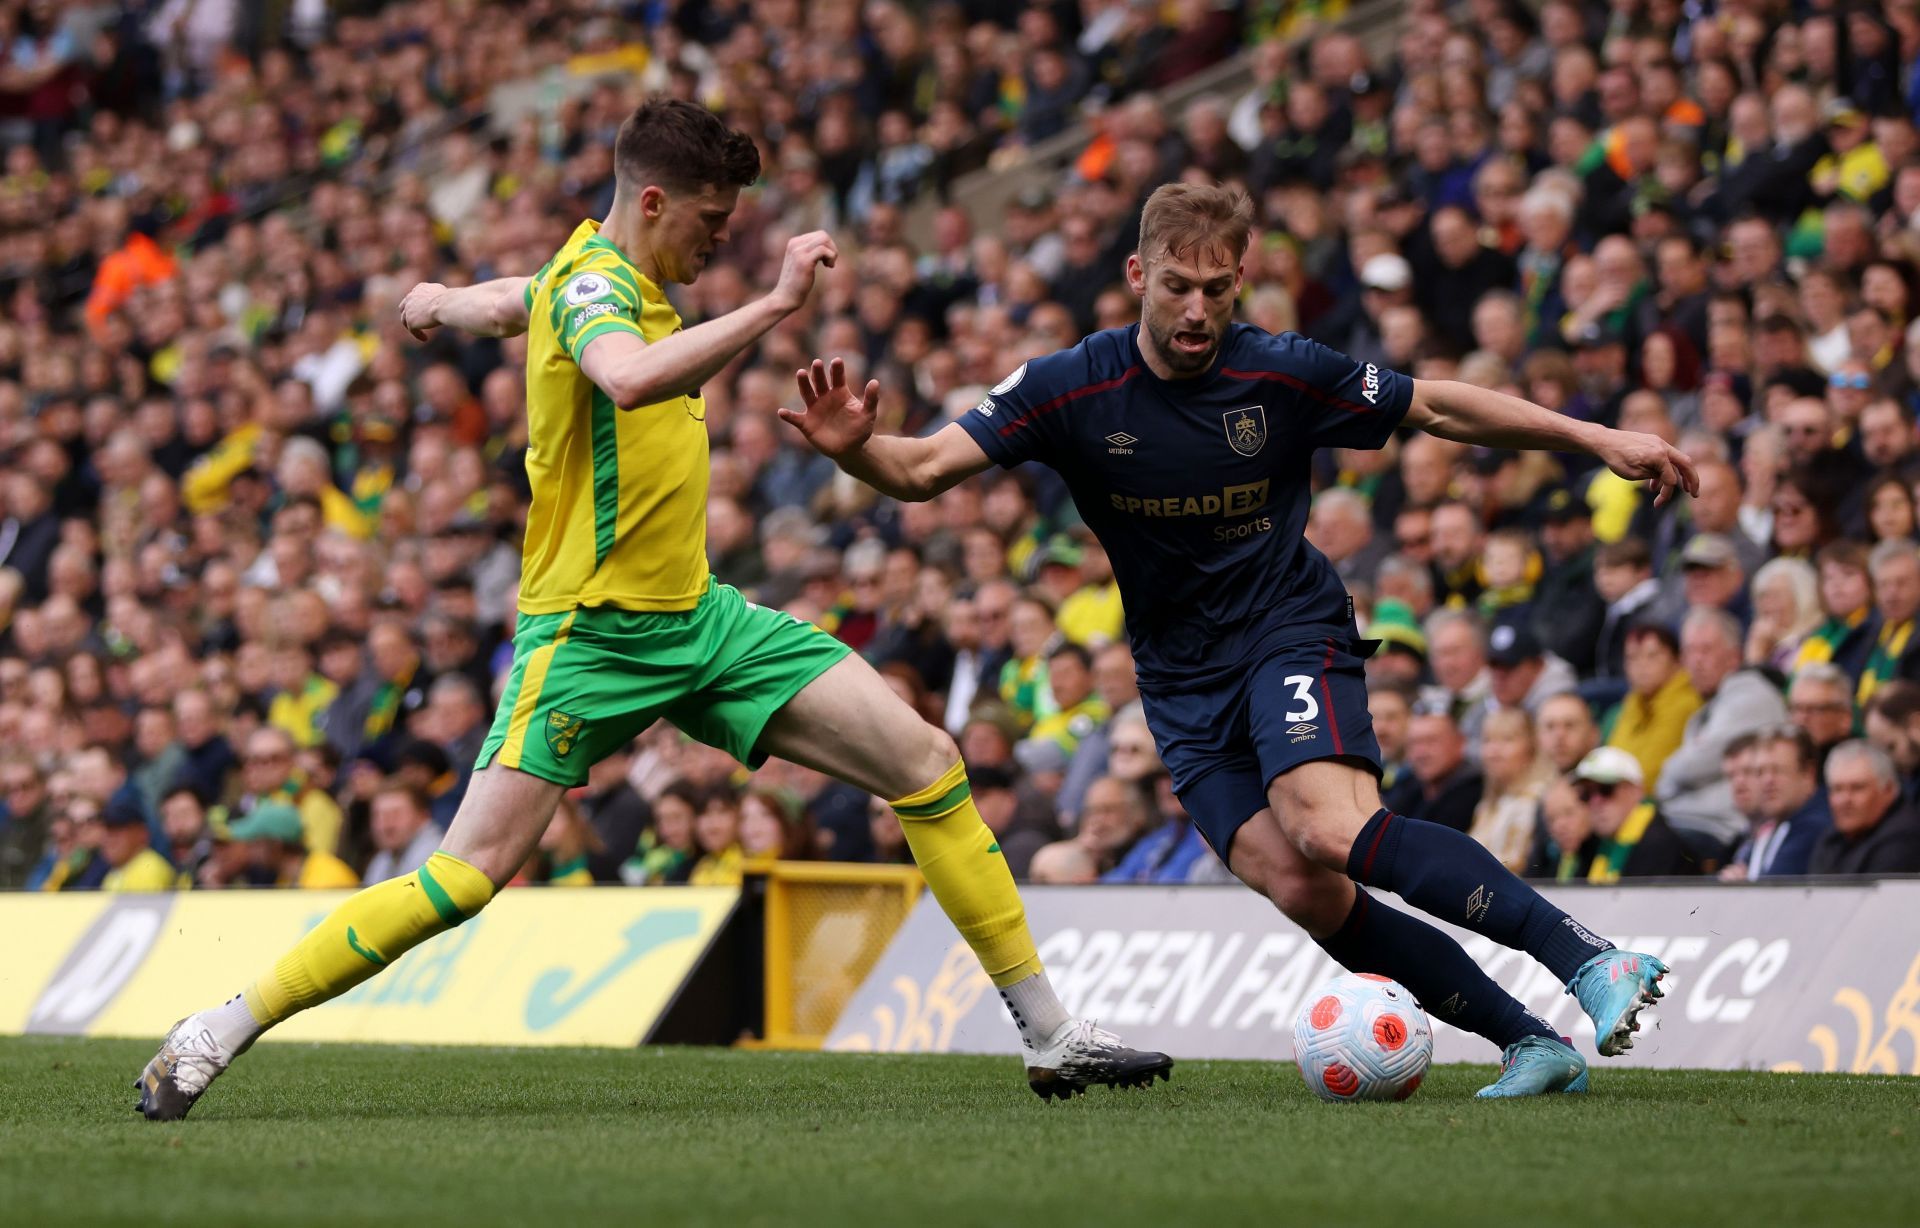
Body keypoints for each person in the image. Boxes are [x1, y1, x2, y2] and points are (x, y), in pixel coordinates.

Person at [137, 100, 1165, 1122]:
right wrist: (769, 309)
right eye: (710, 224)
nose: (720, 243)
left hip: (700, 620)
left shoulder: (579, 268)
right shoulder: (598, 287)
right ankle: (216, 1028)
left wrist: (443, 299)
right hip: (587, 636)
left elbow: (518, 301)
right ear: (656, 200)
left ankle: (1049, 1033)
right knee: (464, 875)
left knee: (926, 761)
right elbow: (622, 376)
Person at [782, 181, 1693, 1097]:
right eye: (1177, 285)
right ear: (1137, 274)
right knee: (1303, 889)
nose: (1197, 310)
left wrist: (1593, 436)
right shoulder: (1073, 385)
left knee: (1326, 824)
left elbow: (1438, 410)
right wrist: (854, 449)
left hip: (1286, 627)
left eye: (1218, 290)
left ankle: (1589, 959)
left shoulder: (1281, 372)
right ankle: (1533, 1043)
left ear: (1241, 283)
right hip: (1179, 678)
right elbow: (925, 467)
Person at [1568, 747, 1701, 880]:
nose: (1595, 801)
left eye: (1606, 789)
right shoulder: (1591, 846)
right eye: (1586, 794)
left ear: (1636, 791)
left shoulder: (1661, 847)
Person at [1721, 727, 1831, 879]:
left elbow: (1773, 895)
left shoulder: (1815, 826)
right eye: (1760, 772)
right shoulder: (1775, 824)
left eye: (1777, 770)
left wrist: (1743, 888)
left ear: (1808, 773)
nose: (1767, 781)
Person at [1809, 740, 1920, 874]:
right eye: (1837, 789)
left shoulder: (1904, 839)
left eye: (1857, 788)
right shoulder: (1832, 838)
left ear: (1888, 789)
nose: (1844, 800)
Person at [361, 783, 441, 885]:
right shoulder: (382, 859)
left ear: (423, 816)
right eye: (379, 816)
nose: (386, 825)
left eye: (396, 814)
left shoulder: (433, 859)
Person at [99, 796, 181, 892]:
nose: (109, 840)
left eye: (117, 831)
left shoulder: (149, 869)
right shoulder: (115, 872)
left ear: (142, 833)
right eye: (106, 832)